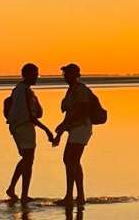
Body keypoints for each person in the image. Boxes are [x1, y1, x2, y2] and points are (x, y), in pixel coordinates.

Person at [6, 63, 55, 203]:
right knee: (28, 160)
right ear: (26, 75)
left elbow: (38, 113)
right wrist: (47, 131)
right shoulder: (24, 91)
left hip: (20, 127)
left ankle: (13, 189)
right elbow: (31, 116)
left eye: (37, 74)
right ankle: (23, 194)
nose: (36, 77)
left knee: (27, 159)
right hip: (23, 127)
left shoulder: (21, 89)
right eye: (34, 74)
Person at [52, 63, 96, 207]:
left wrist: (63, 126)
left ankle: (77, 196)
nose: (65, 77)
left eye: (68, 74)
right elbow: (69, 114)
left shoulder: (81, 89)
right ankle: (72, 195)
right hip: (74, 129)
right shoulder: (71, 90)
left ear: (76, 75)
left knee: (72, 160)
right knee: (70, 160)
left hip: (81, 128)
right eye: (65, 74)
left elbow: (81, 110)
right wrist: (60, 132)